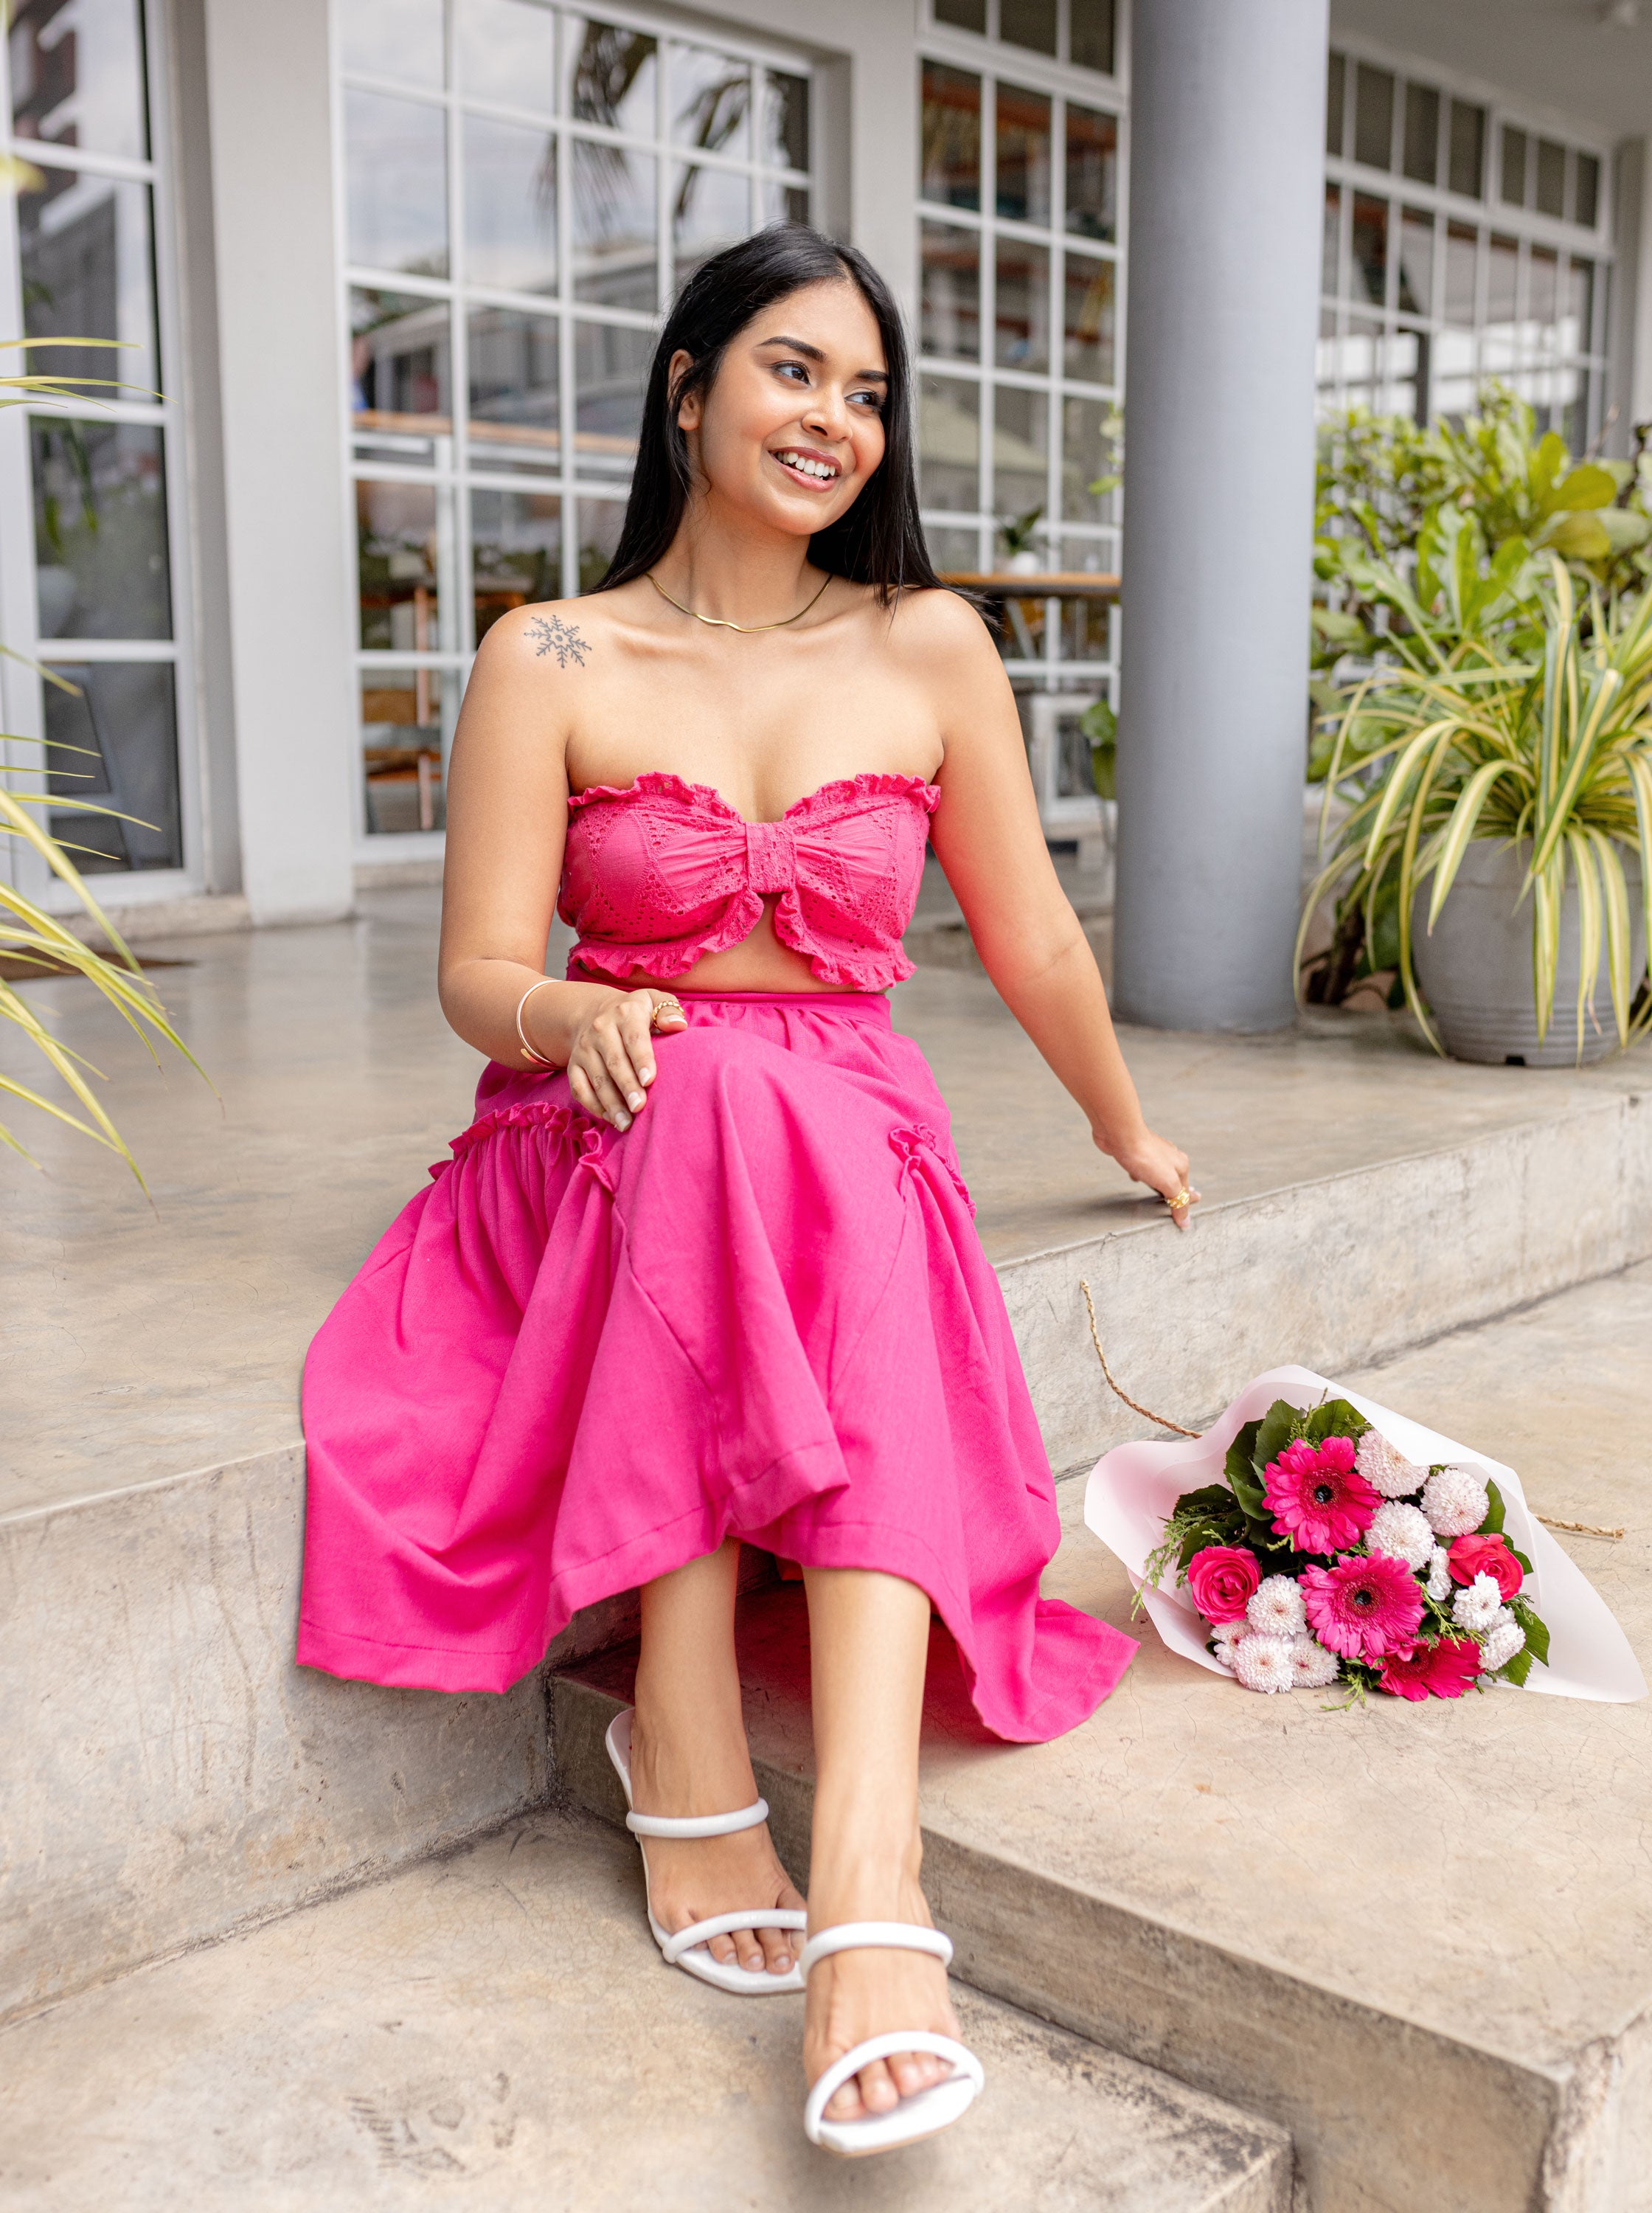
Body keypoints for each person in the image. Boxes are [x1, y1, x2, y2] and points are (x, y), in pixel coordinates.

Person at [299, 225, 1194, 2158]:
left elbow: (1031, 940)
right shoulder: (548, 653)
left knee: (793, 1109)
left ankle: (858, 1865)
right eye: (796, 371)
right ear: (689, 385)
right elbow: (473, 969)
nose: (839, 422)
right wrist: (566, 1015)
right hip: (599, 1124)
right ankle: (711, 1736)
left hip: (828, 1150)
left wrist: (1129, 1129)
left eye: (869, 394)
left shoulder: (927, 645)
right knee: (719, 1092)